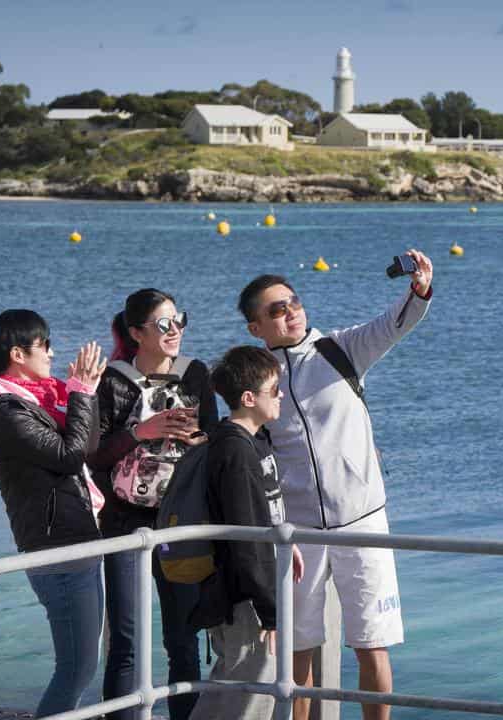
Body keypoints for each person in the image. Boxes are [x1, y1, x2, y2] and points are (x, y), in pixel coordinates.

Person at [237, 249, 433, 720]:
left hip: (362, 523)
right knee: (298, 650)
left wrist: (420, 289)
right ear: (255, 328)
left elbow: (394, 324)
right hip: (299, 535)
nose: (290, 311)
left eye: (293, 301)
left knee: (372, 646)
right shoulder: (259, 377)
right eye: (276, 309)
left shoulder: (340, 349)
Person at [0, 309, 107, 717]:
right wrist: (79, 393)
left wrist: (85, 393)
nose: (51, 352)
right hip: (55, 545)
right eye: (44, 344)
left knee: (81, 664)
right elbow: (68, 454)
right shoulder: (9, 414)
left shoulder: (41, 402)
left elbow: (89, 443)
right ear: (17, 354)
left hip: (77, 537)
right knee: (76, 668)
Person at [88, 288, 220, 720]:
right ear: (136, 332)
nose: (175, 330)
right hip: (126, 521)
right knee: (124, 638)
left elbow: (216, 443)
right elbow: (94, 455)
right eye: (163, 324)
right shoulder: (113, 380)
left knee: (182, 637)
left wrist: (194, 437)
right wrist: (141, 432)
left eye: (179, 320)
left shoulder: (196, 373)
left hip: (180, 521)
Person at [189, 345, 304, 720]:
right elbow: (244, 541)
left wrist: (287, 542)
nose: (282, 395)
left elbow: (266, 511)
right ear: (249, 398)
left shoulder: (255, 440)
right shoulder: (235, 453)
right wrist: (270, 612)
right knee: (249, 698)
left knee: (229, 691)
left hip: (255, 588)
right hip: (244, 600)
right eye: (275, 389)